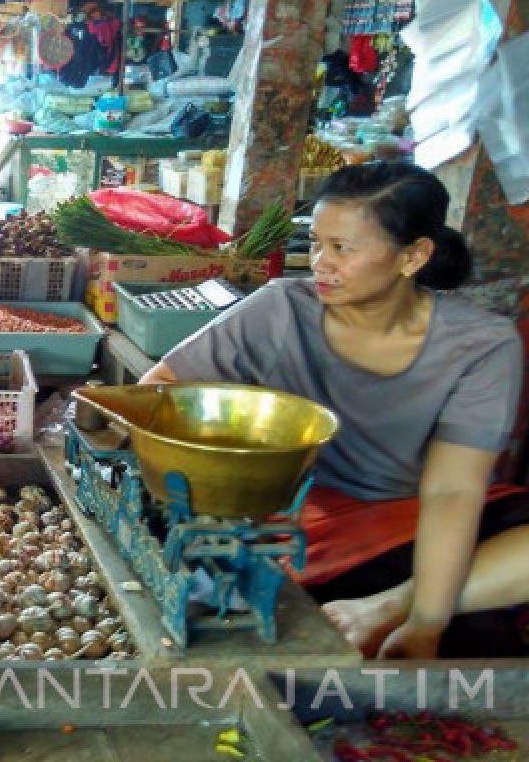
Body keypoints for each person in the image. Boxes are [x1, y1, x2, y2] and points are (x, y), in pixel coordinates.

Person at [139, 162, 526, 659]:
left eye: (342, 249)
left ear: (414, 256)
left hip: (419, 518)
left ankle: (389, 605)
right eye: (316, 242)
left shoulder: (480, 345)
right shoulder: (278, 310)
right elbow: (161, 390)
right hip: (308, 516)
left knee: (456, 610)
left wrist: (425, 618)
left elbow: (453, 489)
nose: (319, 263)